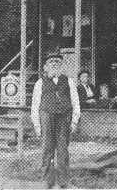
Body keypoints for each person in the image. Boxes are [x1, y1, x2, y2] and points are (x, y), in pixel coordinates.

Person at [30, 53, 81, 188]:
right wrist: (37, 126)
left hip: (64, 118)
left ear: (61, 65)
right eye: (51, 61)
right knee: (47, 149)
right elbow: (35, 105)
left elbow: (75, 102)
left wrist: (74, 121)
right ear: (45, 66)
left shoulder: (69, 81)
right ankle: (47, 181)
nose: (54, 63)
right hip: (46, 117)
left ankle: (63, 182)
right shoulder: (39, 83)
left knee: (63, 150)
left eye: (57, 61)